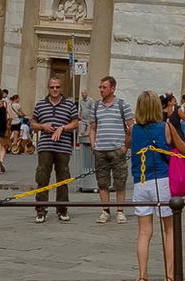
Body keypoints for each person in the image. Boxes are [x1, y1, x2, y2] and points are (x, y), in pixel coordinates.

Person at [129, 91, 176, 281]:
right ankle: (169, 277)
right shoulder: (165, 127)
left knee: (144, 232)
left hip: (140, 182)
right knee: (169, 229)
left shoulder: (133, 129)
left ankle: (142, 277)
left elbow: (127, 146)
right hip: (161, 180)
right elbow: (182, 148)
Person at [33, 75, 80, 225]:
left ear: (61, 88)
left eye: (57, 87)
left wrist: (62, 128)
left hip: (63, 147)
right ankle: (41, 210)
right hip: (45, 146)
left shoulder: (69, 105)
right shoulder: (40, 105)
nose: (54, 90)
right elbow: (33, 123)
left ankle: (62, 209)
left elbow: (75, 123)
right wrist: (43, 126)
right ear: (48, 88)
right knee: (42, 178)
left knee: (63, 178)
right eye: (52, 87)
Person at [88, 76, 132, 224]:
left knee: (120, 181)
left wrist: (126, 147)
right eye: (100, 87)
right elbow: (93, 128)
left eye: (104, 87)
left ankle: (120, 211)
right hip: (100, 150)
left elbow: (131, 127)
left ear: (112, 88)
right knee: (102, 182)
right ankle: (105, 211)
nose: (101, 90)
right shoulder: (95, 106)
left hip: (117, 150)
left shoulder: (122, 105)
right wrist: (93, 144)